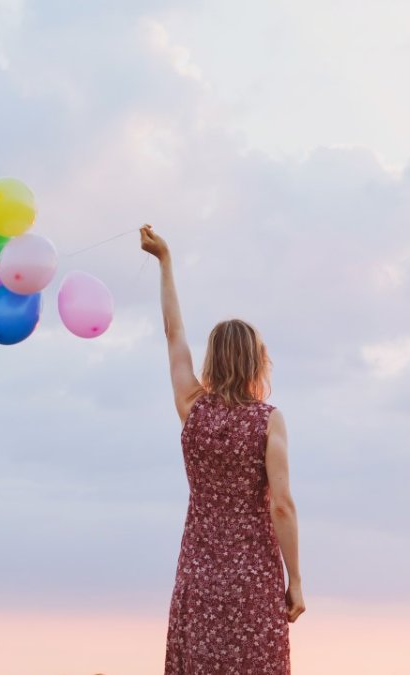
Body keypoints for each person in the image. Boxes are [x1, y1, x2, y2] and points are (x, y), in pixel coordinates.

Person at [140, 224, 304, 675]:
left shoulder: (191, 408)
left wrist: (165, 261)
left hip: (199, 574)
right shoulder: (268, 420)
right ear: (257, 361)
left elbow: (173, 332)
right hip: (253, 581)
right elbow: (283, 507)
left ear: (212, 358)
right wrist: (297, 582)